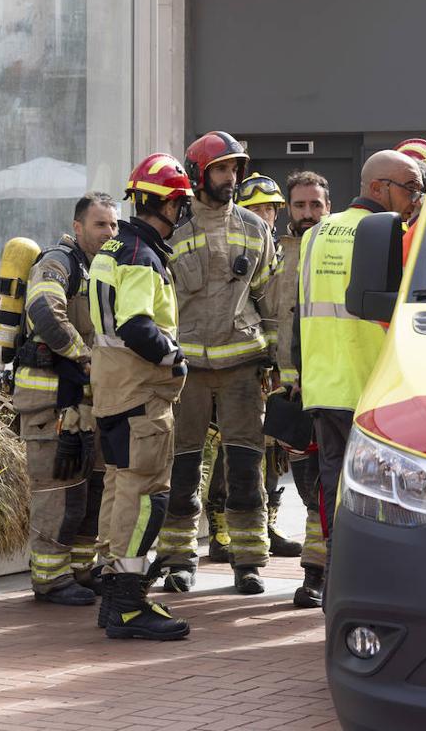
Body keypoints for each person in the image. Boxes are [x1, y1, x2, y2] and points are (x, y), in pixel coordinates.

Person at [155, 132, 279, 596]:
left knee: (246, 467)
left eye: (235, 170)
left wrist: (277, 362)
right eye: (222, 169)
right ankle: (179, 561)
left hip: (243, 366)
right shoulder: (175, 231)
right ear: (199, 174)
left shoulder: (255, 228)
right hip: (183, 369)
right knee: (182, 467)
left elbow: (270, 299)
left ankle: (249, 562)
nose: (231, 178)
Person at [294, 151, 423, 583]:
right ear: (378, 188)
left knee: (335, 492)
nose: (415, 198)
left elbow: (302, 312)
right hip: (369, 387)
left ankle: (337, 581)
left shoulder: (316, 234)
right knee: (381, 497)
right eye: (410, 187)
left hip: (323, 386)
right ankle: (373, 584)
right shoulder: (385, 232)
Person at [89, 153, 193, 640]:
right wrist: (174, 356)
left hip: (114, 391)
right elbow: (135, 324)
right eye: (181, 202)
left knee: (119, 487)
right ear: (166, 204)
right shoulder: (140, 255)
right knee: (146, 493)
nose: (183, 212)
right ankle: (130, 605)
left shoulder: (113, 248)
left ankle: (113, 596)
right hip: (141, 395)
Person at [14, 192, 118, 606]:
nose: (109, 232)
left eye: (113, 225)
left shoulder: (100, 269)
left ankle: (79, 568)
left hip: (84, 405)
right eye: (100, 224)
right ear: (78, 227)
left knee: (88, 490)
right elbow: (43, 309)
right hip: (48, 404)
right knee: (55, 493)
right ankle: (49, 578)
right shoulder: (58, 262)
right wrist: (84, 356)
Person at [266, 169, 332, 607]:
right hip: (288, 393)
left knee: (327, 486)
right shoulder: (272, 253)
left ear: (329, 205)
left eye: (315, 205)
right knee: (307, 488)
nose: (307, 214)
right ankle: (316, 572)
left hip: (332, 386)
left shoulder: (339, 248)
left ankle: (317, 573)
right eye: (299, 205)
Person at [234, 173, 303, 561]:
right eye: (258, 208)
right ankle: (225, 528)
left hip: (277, 369)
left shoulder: (280, 251)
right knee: (234, 450)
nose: (266, 216)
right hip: (244, 363)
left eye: (271, 209)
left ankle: (268, 524)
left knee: (274, 450)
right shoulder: (240, 252)